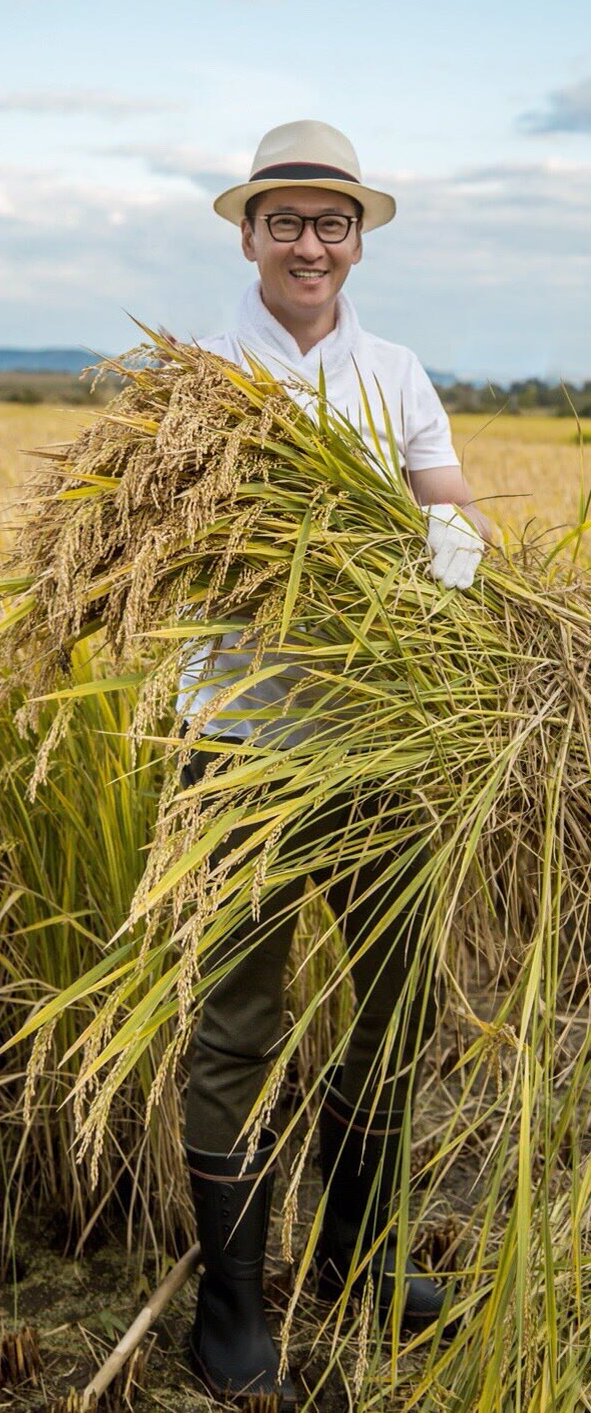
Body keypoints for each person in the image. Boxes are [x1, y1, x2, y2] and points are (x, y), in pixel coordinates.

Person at [175, 120, 490, 1408]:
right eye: (286, 221)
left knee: (392, 1008)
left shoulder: (399, 369)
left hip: (382, 744)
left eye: (332, 223)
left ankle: (365, 1254)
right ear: (249, 235)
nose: (310, 243)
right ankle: (232, 1302)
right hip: (243, 748)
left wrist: (453, 544)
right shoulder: (195, 377)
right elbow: (176, 550)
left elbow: (448, 497)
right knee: (239, 1023)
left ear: (358, 242)